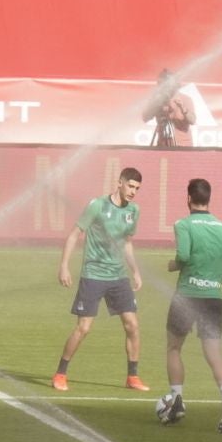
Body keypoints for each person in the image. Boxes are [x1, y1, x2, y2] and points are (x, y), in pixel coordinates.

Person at [161, 178, 222, 433]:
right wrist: (219, 278)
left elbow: (184, 256)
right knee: (213, 352)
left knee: (174, 348)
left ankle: (176, 399)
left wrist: (174, 265)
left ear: (188, 198)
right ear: (209, 199)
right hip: (213, 298)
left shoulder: (183, 224)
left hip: (187, 295)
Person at [52, 166, 149, 393]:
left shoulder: (134, 211)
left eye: (137, 188)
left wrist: (134, 270)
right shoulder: (97, 205)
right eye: (131, 186)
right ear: (120, 182)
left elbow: (126, 242)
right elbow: (75, 234)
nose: (134, 191)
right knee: (84, 328)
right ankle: (60, 374)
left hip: (118, 277)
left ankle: (132, 377)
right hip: (93, 275)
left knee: (133, 325)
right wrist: (64, 266)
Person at [142, 68, 196, 148]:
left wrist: (183, 109)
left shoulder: (185, 99)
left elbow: (193, 120)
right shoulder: (158, 99)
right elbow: (145, 118)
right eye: (163, 85)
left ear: (175, 85)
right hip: (163, 145)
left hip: (183, 146)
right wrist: (155, 105)